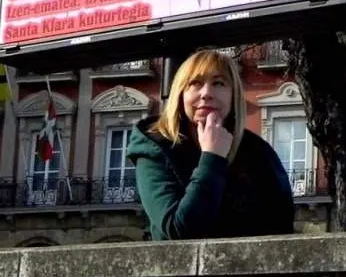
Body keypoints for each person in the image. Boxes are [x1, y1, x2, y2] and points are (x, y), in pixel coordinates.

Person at [126, 48, 294, 239]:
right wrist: (212, 158)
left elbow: (281, 225)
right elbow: (179, 231)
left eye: (218, 83)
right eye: (195, 84)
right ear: (181, 94)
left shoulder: (258, 151)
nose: (206, 93)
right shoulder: (154, 146)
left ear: (233, 96)